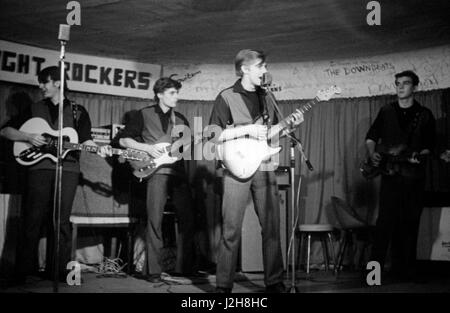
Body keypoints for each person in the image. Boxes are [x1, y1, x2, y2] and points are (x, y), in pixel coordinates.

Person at [0, 66, 109, 284]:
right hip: (39, 169)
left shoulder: (78, 111)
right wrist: (28, 136)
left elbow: (85, 140)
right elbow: (5, 131)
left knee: (61, 221)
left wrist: (99, 149)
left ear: (58, 82)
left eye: (45, 82)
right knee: (32, 218)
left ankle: (58, 271)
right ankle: (22, 272)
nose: (41, 87)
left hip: (68, 169)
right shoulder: (34, 108)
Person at [208, 49, 304, 293]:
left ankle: (274, 282)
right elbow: (213, 134)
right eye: (260, 66)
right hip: (235, 168)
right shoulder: (227, 96)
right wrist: (247, 129)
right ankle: (223, 287)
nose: (265, 71)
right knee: (231, 230)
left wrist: (286, 126)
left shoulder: (267, 97)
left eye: (265, 66)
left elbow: (268, 135)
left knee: (272, 227)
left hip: (263, 165)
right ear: (245, 69)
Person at [115, 77, 195, 283]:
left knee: (187, 219)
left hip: (177, 173)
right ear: (159, 94)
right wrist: (148, 148)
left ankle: (184, 268)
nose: (176, 97)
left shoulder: (181, 119)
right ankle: (153, 272)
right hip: (156, 173)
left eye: (177, 93)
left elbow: (186, 148)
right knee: (155, 221)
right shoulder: (143, 114)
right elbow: (123, 140)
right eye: (172, 93)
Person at [365, 70, 436, 281]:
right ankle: (373, 276)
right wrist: (372, 153)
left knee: (410, 225)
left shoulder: (425, 114)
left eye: (405, 83)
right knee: (384, 225)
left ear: (415, 87)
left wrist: (418, 155)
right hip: (390, 175)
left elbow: (430, 146)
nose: (400, 87)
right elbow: (371, 137)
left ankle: (405, 274)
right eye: (398, 83)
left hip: (414, 177)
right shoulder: (386, 111)